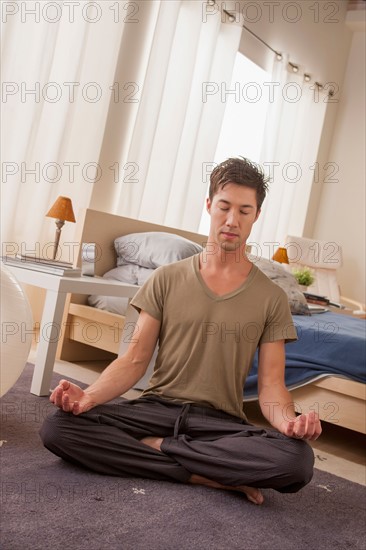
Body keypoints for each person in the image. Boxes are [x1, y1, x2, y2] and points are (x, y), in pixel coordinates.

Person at [40, 157, 321, 505]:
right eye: (224, 207)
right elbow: (133, 360)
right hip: (156, 409)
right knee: (58, 428)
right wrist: (89, 396)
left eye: (245, 211)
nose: (232, 220)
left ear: (257, 216)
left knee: (296, 461)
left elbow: (271, 386)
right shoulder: (166, 278)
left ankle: (160, 451)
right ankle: (202, 474)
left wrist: (289, 423)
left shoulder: (271, 298)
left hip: (220, 425)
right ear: (208, 206)